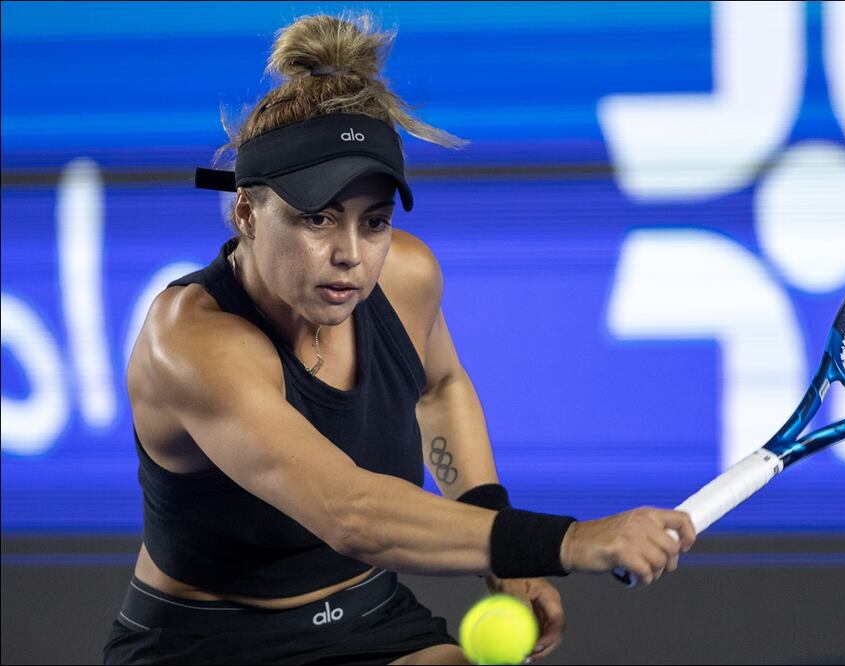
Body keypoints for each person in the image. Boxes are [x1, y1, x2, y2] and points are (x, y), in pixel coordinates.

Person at [103, 11, 695, 665]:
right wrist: (572, 540)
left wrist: (498, 547)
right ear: (247, 210)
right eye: (317, 219)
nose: (350, 255)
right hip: (206, 645)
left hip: (369, 618)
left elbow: (439, 389)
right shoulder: (193, 344)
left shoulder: (407, 278)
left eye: (374, 222)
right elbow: (349, 512)